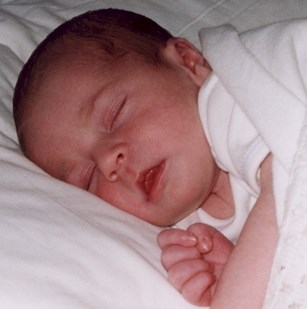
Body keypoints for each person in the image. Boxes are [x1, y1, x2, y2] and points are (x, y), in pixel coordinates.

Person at [15, 8, 304, 308]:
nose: (109, 162)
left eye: (114, 115)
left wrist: (238, 293)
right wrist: (237, 267)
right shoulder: (196, 229)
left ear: (188, 62)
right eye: (88, 178)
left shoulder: (236, 94)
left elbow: (293, 187)